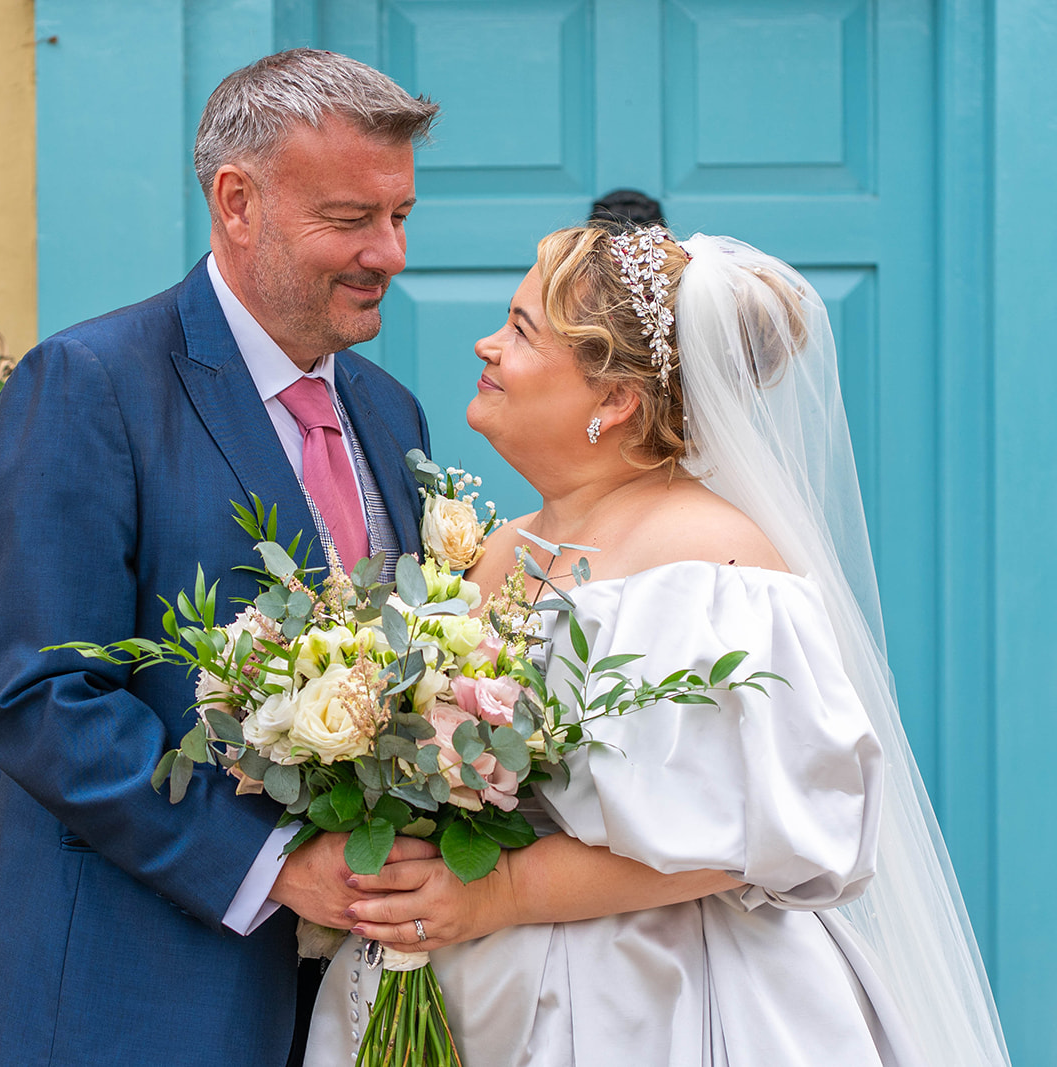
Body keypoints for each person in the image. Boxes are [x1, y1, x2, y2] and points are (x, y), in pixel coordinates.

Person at [305, 225, 1011, 1066]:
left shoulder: (717, 560)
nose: (487, 344)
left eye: (523, 331)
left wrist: (501, 892)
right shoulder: (499, 551)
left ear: (614, 402)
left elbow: (750, 839)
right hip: (474, 992)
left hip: (663, 1000)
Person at [0, 50, 441, 1066]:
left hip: (348, 1002)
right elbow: (42, 698)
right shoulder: (88, 385)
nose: (388, 253)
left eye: (398, 216)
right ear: (236, 202)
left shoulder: (392, 415)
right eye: (351, 220)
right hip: (126, 999)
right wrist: (274, 862)